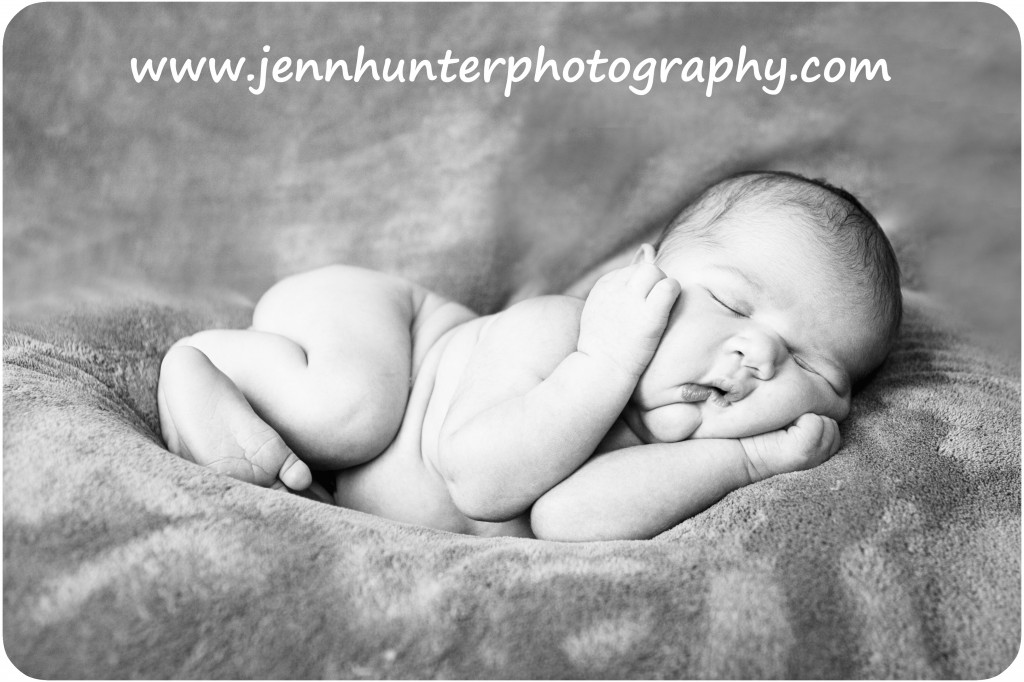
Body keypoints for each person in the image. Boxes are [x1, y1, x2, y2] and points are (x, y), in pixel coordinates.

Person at [157, 170, 902, 541]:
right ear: (642, 283)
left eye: (814, 367)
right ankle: (203, 366)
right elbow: (479, 477)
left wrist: (751, 461)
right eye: (732, 304)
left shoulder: (672, 460)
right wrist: (603, 364)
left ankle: (250, 419)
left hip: (362, 453)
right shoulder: (560, 334)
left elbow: (567, 520)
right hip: (382, 329)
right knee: (349, 414)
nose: (759, 355)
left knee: (334, 449)